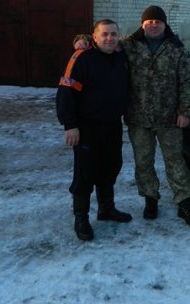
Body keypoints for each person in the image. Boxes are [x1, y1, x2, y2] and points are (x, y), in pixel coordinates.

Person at [74, 5, 190, 225]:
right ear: (143, 24)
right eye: (149, 22)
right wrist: (81, 39)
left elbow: (188, 82)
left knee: (175, 161)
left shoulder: (177, 49)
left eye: (157, 22)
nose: (153, 25)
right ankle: (150, 200)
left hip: (169, 117)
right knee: (143, 161)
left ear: (164, 24)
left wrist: (185, 111)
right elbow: (103, 38)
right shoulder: (128, 45)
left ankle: (184, 203)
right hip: (138, 117)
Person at [56, 19, 133, 241]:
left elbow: (142, 33)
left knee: (110, 167)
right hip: (86, 126)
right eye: (105, 34)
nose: (109, 38)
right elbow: (66, 92)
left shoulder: (120, 56)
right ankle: (81, 217)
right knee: (85, 173)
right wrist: (70, 125)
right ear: (95, 37)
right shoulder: (81, 58)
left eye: (113, 34)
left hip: (112, 124)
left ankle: (106, 209)